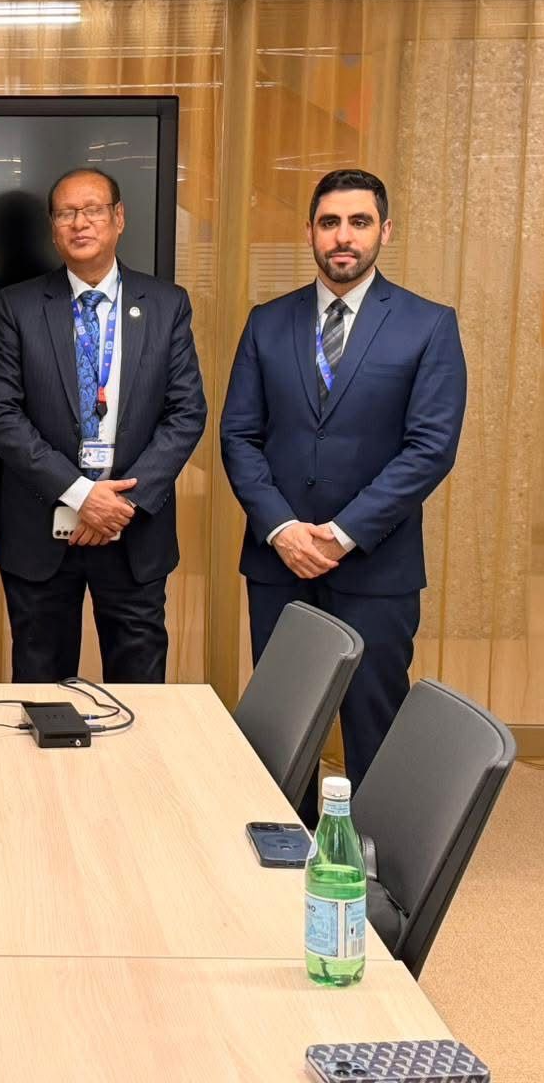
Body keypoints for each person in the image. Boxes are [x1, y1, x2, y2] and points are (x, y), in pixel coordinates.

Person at [221, 168, 466, 821]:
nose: (343, 236)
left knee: (372, 716)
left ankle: (378, 863)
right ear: (309, 231)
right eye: (330, 222)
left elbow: (430, 449)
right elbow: (239, 436)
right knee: (284, 718)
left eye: (359, 222)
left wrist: (340, 533)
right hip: (280, 560)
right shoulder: (267, 323)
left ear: (385, 231)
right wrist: (283, 529)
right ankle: (283, 843)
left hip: (375, 563)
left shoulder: (428, 325)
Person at [0, 167, 206, 684]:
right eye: (66, 213)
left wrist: (120, 503)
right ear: (53, 227)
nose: (79, 223)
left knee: (140, 692)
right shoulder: (18, 306)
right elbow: (1, 413)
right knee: (41, 688)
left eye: (93, 210)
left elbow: (186, 412)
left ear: (118, 218)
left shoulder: (166, 305)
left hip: (133, 532)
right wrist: (82, 494)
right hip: (43, 529)